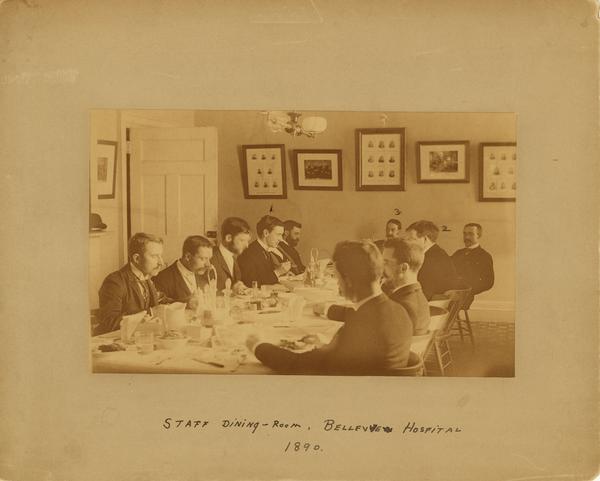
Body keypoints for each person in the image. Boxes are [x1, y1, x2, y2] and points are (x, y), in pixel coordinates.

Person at [246, 240, 413, 375]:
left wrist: (257, 345)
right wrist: (328, 347)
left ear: (348, 280)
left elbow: (299, 365)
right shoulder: (398, 310)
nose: (338, 283)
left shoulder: (359, 329)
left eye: (337, 277)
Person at [97, 232, 164, 335]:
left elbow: (159, 301)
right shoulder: (114, 282)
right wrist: (149, 312)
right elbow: (109, 322)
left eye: (160, 256)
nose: (161, 262)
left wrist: (185, 302)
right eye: (154, 256)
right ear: (137, 258)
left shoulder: (146, 277)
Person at [153, 235, 216, 309]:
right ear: (188, 257)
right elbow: (158, 308)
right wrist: (186, 303)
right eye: (203, 259)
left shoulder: (204, 273)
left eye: (209, 259)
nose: (208, 264)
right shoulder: (162, 279)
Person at [405, 220, 458, 300]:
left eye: (411, 239)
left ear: (425, 239)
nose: (407, 243)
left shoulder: (432, 259)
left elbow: (424, 293)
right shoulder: (437, 253)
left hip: (433, 306)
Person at [237, 215, 291, 287]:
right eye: (278, 234)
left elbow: (265, 276)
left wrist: (282, 274)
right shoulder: (249, 253)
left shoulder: (265, 250)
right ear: (266, 233)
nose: (281, 239)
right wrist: (278, 272)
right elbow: (251, 282)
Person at [451, 223, 495, 308]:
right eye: (465, 234)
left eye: (470, 234)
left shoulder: (484, 256)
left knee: (439, 305)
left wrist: (468, 291)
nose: (466, 237)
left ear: (479, 235)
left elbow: (489, 282)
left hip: (465, 297)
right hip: (449, 292)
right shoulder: (458, 253)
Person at [211, 217, 251, 295]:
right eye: (242, 240)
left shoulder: (234, 257)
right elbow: (203, 292)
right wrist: (232, 291)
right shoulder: (210, 258)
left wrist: (239, 286)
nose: (247, 245)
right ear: (228, 238)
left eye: (247, 241)